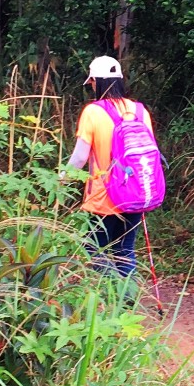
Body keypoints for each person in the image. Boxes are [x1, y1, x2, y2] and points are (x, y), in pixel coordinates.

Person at [67, 55, 156, 276]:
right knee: (125, 250)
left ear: (97, 81)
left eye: (93, 83)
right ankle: (128, 303)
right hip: (135, 194)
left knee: (93, 251)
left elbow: (79, 158)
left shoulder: (93, 112)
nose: (92, 87)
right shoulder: (139, 111)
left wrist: (60, 180)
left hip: (102, 198)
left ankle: (113, 298)